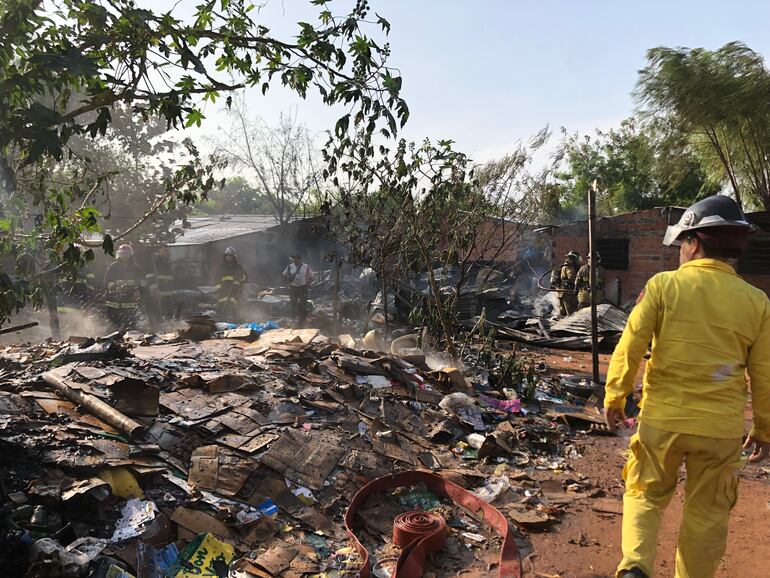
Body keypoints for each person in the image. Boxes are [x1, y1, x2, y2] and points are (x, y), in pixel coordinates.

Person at [603, 195, 770, 578]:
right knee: (708, 512)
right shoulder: (757, 302)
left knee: (644, 493)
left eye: (681, 243)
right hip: (720, 430)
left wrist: (616, 396)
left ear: (693, 242)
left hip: (662, 422)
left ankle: (634, 569)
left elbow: (630, 345)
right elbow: (765, 374)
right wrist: (764, 428)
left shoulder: (662, 286)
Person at [103, 244, 145, 330]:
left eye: (127, 254)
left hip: (129, 301)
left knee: (130, 327)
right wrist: (115, 288)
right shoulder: (113, 267)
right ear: (118, 255)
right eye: (122, 254)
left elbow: (143, 283)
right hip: (113, 302)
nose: (124, 256)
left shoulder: (136, 268)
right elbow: (107, 282)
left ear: (131, 255)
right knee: (113, 327)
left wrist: (138, 292)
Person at [146, 246, 178, 319]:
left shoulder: (169, 262)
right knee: (158, 311)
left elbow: (171, 278)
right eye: (165, 251)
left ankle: (169, 325)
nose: (167, 253)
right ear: (159, 252)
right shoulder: (154, 262)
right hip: (158, 292)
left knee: (169, 311)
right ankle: (158, 326)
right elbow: (149, 276)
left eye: (168, 251)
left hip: (168, 292)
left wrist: (174, 290)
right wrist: (154, 288)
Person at [216, 247, 247, 320]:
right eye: (227, 256)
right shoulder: (222, 267)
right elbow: (216, 280)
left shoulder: (238, 267)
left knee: (235, 306)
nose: (228, 257)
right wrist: (218, 290)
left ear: (233, 257)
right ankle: (222, 320)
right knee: (222, 306)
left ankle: (235, 320)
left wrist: (239, 279)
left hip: (235, 291)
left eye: (230, 256)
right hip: (223, 292)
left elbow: (245, 277)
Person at [282, 254, 314, 326]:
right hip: (293, 287)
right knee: (293, 303)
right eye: (294, 259)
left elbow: (312, 275)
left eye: (296, 259)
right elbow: (284, 274)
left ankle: (302, 319)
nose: (295, 260)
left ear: (299, 259)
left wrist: (308, 283)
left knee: (303, 304)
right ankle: (293, 318)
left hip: (303, 287)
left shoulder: (306, 267)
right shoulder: (290, 267)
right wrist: (287, 283)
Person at [549, 250, 580, 316]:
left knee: (563, 312)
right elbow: (572, 279)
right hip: (568, 293)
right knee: (571, 314)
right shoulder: (569, 267)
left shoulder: (564, 266)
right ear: (574, 258)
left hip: (562, 292)